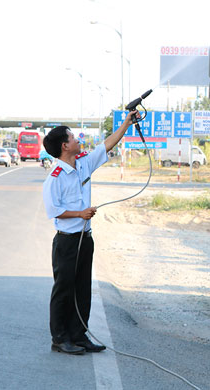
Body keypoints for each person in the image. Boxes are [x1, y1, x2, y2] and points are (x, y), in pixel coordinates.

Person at [42, 111, 138, 355]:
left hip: (86, 238)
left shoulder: (83, 162)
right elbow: (54, 210)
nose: (78, 140)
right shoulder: (54, 177)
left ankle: (79, 334)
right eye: (73, 137)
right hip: (67, 241)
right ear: (65, 146)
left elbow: (107, 144)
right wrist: (80, 214)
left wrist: (126, 123)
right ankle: (60, 338)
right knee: (64, 289)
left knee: (83, 288)